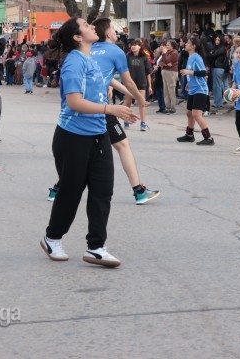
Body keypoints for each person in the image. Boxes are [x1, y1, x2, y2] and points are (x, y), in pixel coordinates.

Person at [40, 17, 137, 268]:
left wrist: (131, 95)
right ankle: (52, 238)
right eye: (85, 25)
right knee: (71, 193)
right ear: (77, 37)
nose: (92, 26)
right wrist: (110, 109)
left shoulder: (90, 58)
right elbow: (74, 102)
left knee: (103, 190)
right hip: (72, 137)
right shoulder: (73, 63)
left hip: (98, 134)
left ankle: (96, 247)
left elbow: (106, 81)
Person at [47, 18, 160, 205]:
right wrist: (139, 99)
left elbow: (104, 79)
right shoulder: (115, 51)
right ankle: (139, 191)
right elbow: (128, 81)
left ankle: (59, 189)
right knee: (122, 146)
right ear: (108, 34)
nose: (117, 33)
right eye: (114, 30)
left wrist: (124, 94)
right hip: (97, 108)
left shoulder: (87, 51)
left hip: (84, 109)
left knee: (82, 156)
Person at [177, 35, 215, 145]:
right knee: (189, 113)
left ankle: (209, 138)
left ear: (193, 46)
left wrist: (189, 72)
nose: (185, 44)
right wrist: (189, 83)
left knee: (196, 114)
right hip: (193, 89)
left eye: (188, 43)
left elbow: (203, 73)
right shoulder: (190, 56)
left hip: (200, 89)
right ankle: (189, 135)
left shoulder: (197, 57)